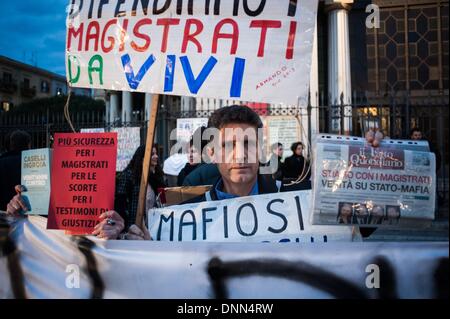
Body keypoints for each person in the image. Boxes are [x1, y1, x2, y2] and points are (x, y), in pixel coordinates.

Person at [114, 144, 166, 229]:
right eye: (152, 154)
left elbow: (164, 199)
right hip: (133, 227)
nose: (156, 156)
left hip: (154, 226)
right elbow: (120, 204)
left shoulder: (157, 175)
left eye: (156, 153)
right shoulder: (129, 175)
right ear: (142, 157)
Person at [0, 130, 31, 210]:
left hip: (4, 211)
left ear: (11, 145)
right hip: (28, 209)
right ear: (28, 145)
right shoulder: (33, 162)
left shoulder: (2, 162)